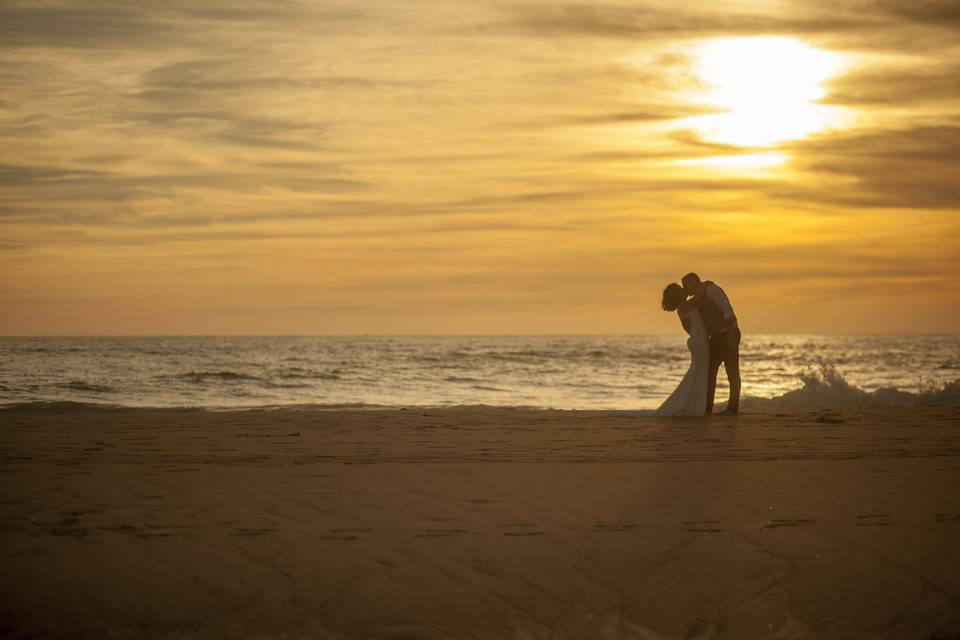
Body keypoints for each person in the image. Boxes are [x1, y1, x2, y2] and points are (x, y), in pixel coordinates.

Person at [681, 273, 740, 414]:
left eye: (686, 286)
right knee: (710, 372)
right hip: (715, 337)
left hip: (728, 332)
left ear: (694, 282)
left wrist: (731, 337)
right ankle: (708, 408)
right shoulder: (698, 297)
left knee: (732, 372)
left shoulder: (711, 289)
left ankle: (732, 408)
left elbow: (729, 313)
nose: (685, 290)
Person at [654, 283, 709, 416]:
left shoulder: (682, 309)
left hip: (698, 340)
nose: (684, 290)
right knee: (699, 372)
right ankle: (696, 406)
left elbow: (688, 328)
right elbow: (700, 295)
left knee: (698, 373)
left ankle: (697, 405)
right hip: (699, 341)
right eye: (681, 289)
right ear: (678, 295)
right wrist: (706, 284)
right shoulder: (684, 306)